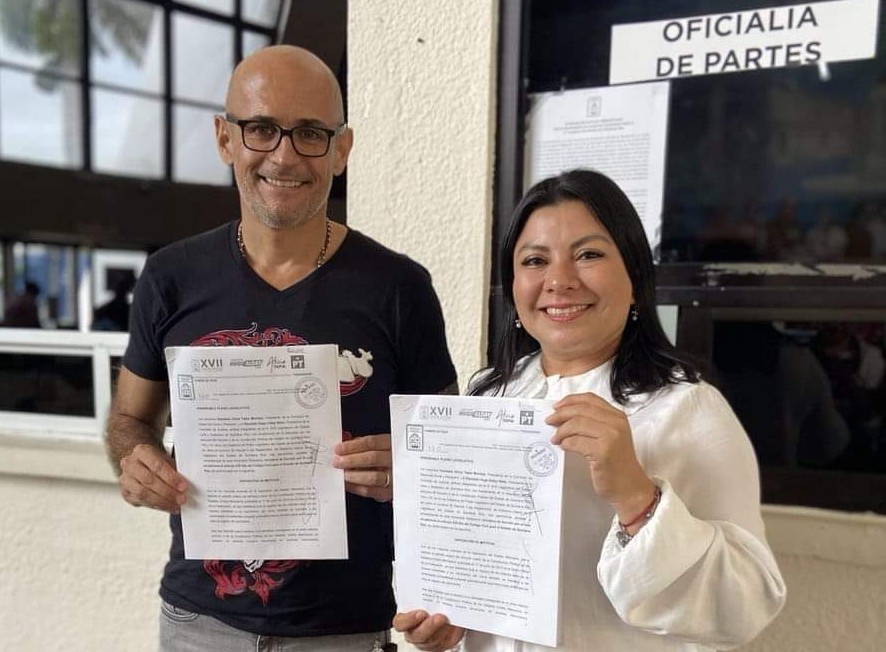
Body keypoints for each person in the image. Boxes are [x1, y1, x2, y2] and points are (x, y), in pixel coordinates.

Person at [104, 45, 457, 651]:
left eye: (311, 133)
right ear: (226, 139)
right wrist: (134, 461)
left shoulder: (399, 287)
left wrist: (413, 469)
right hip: (198, 626)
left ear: (342, 149)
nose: (284, 155)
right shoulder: (170, 277)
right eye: (262, 129)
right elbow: (129, 419)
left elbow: (450, 455)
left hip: (344, 631)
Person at [394, 169, 786, 651]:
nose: (559, 281)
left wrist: (637, 498)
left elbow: (749, 604)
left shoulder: (687, 409)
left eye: (588, 255)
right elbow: (477, 566)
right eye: (535, 260)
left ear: (635, 277)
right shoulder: (488, 398)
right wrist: (452, 620)